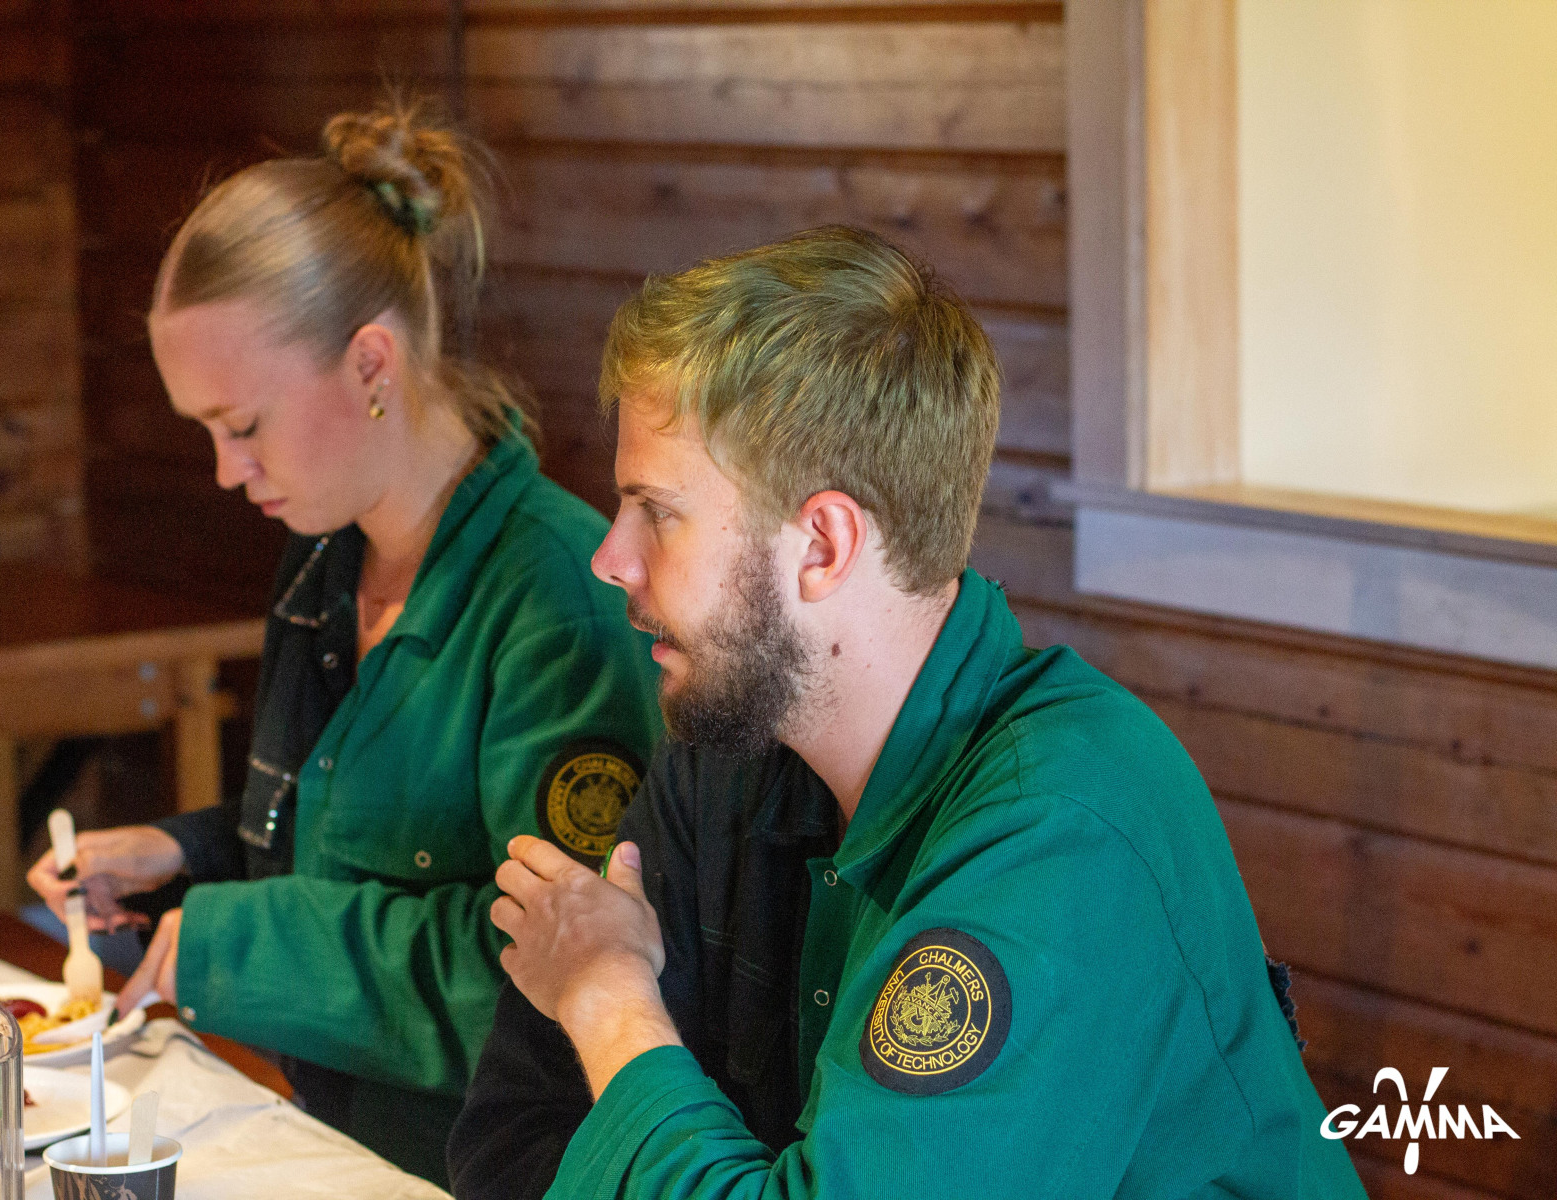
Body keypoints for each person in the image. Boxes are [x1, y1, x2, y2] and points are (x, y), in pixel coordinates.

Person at [448, 227, 1366, 1198]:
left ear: (823, 546)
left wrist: (608, 1000)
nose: (610, 559)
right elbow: (511, 1144)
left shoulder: (1061, 828)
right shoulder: (727, 740)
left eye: (656, 512)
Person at [26, 102, 663, 1186]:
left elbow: (559, 976)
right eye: (205, 432)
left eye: (243, 425)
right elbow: (351, 846)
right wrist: (189, 857)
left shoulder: (557, 600)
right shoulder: (327, 554)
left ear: (372, 365)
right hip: (315, 1133)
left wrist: (227, 942)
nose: (227, 471)